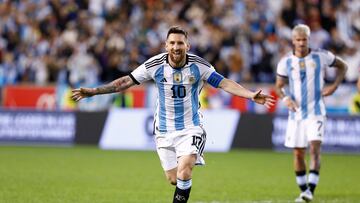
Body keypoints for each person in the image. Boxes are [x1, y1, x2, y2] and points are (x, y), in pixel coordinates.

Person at [71, 26, 275, 203]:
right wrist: (94, 92)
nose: (176, 47)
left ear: (188, 46)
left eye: (180, 43)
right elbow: (125, 82)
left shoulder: (200, 66)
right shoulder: (155, 64)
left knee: (185, 169)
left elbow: (224, 83)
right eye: (172, 43)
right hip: (163, 129)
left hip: (191, 127)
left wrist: (249, 95)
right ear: (166, 46)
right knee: (174, 179)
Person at [275, 24, 347, 202]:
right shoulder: (285, 61)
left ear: (309, 39)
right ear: (293, 41)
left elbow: (343, 66)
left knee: (314, 148)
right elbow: (279, 86)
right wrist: (285, 99)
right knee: (298, 153)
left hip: (316, 111)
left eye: (304, 39)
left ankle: (310, 191)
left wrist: (334, 86)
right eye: (298, 40)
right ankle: (303, 189)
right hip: (296, 114)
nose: (301, 43)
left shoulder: (321, 56)